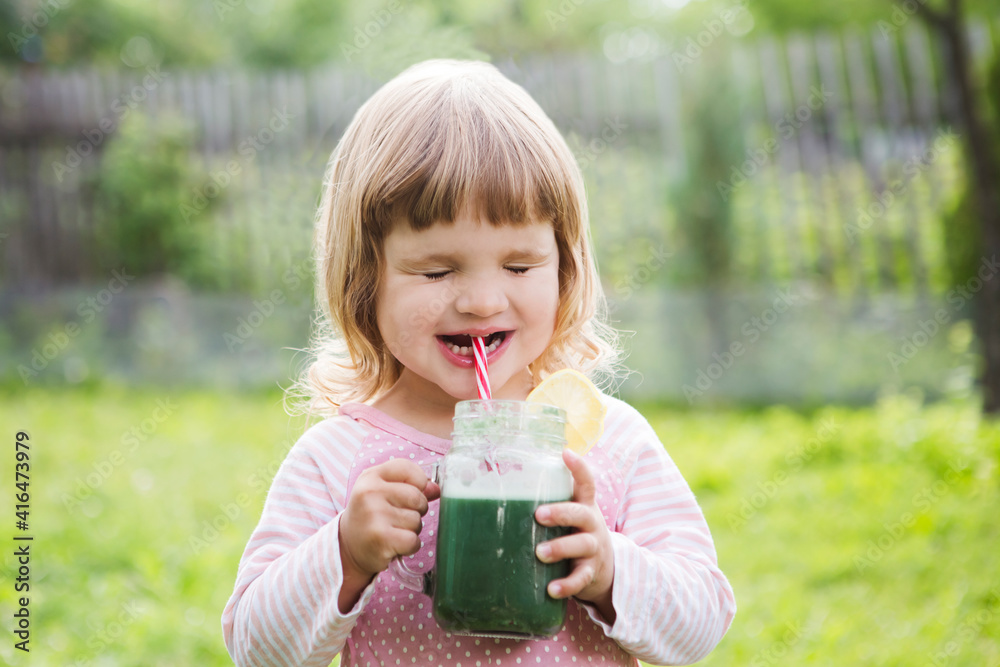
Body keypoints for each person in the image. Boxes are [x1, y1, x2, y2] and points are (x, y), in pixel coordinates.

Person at [222, 59, 735, 667]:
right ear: (366, 281)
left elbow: (702, 621)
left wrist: (609, 566)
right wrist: (344, 554)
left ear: (565, 270)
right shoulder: (338, 462)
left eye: (519, 266)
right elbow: (255, 649)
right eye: (437, 271)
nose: (483, 301)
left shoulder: (607, 442)